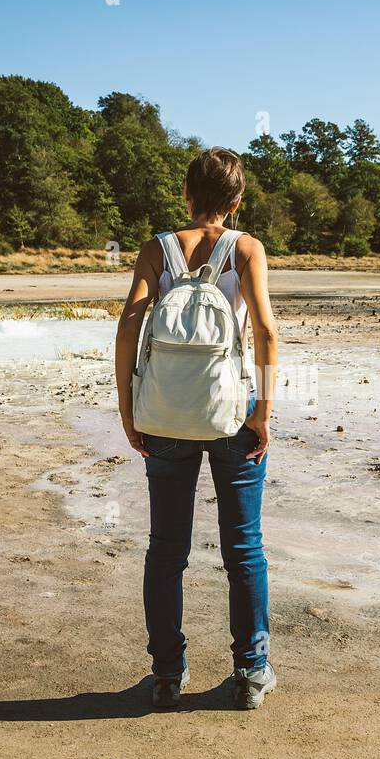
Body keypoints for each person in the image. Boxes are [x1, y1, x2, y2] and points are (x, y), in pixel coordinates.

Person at [114, 147, 280, 710]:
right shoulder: (247, 249)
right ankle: (251, 672)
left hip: (164, 412)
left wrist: (127, 406)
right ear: (236, 203)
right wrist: (263, 411)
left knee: (166, 550)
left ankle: (165, 674)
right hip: (231, 413)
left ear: (186, 195)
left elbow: (129, 325)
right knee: (244, 547)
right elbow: (266, 332)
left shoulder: (156, 249)